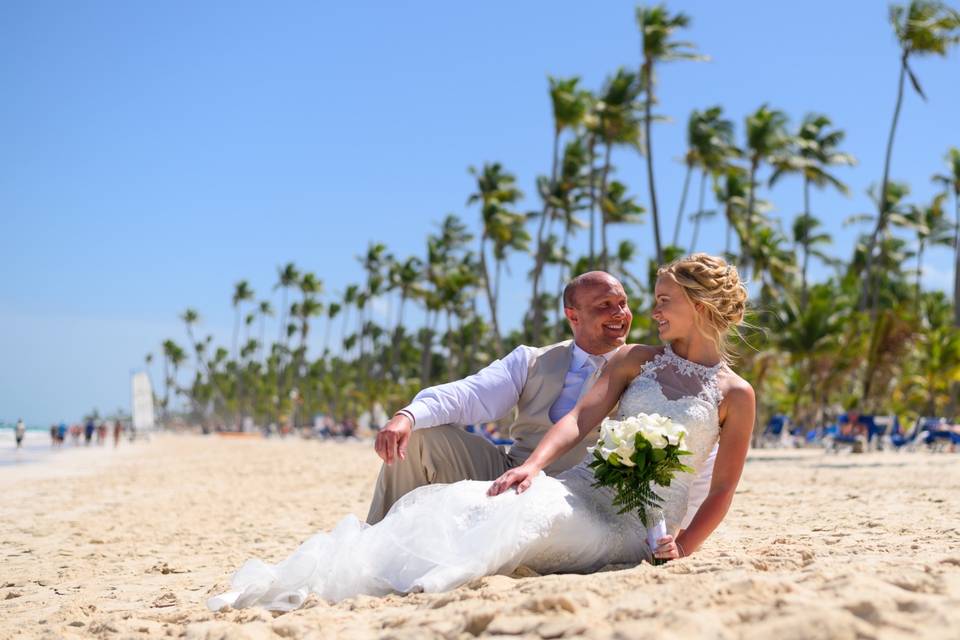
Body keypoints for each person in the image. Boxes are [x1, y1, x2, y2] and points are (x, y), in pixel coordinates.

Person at [208, 254, 754, 611]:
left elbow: (716, 482)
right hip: (556, 480)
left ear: (699, 307)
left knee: (523, 518)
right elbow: (530, 409)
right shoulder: (602, 360)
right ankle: (377, 547)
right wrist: (415, 418)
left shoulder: (723, 389)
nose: (634, 312)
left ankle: (427, 565)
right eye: (606, 306)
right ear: (572, 316)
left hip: (631, 516)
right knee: (467, 481)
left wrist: (680, 542)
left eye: (646, 302)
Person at [367, 271, 716, 526]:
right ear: (572, 316)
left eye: (623, 304)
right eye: (604, 305)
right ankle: (375, 540)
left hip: (589, 497)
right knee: (420, 440)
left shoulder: (650, 367)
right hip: (509, 472)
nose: (620, 314)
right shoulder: (531, 359)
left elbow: (693, 443)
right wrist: (408, 416)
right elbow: (469, 394)